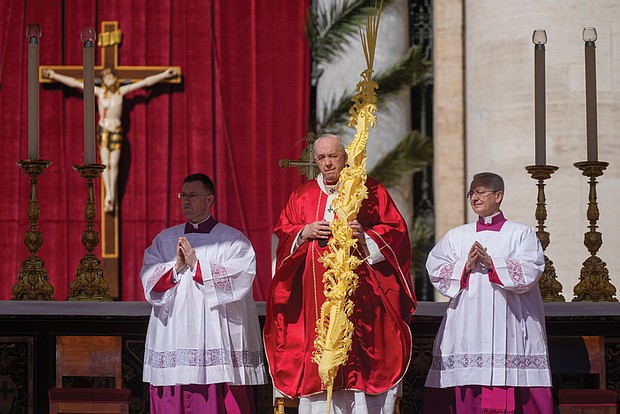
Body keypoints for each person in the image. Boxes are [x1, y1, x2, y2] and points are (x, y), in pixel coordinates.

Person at [264, 134, 417, 413]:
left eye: (332, 156)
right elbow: (282, 235)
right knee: (320, 368)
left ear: (345, 157)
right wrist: (302, 233)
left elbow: (396, 232)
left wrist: (366, 235)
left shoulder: (369, 190)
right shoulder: (302, 195)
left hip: (359, 304)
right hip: (316, 306)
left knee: (357, 367)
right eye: (321, 158)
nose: (327, 164)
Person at [424, 172, 553, 413]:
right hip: (466, 325)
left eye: (481, 192)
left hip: (510, 322)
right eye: (471, 193)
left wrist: (494, 264)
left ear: (499, 196)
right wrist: (466, 265)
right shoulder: (457, 235)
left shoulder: (520, 233)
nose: (475, 197)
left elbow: (531, 269)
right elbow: (435, 268)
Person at [140, 173, 267, 413]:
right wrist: (175, 268)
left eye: (193, 196)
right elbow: (149, 278)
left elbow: (241, 278)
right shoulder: (166, 239)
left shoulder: (233, 240)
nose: (186, 201)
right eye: (183, 195)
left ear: (210, 200)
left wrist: (198, 266)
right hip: (175, 336)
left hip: (215, 334)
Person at [42, 66, 177, 213]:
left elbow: (145, 82)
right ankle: (109, 195)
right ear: (104, 81)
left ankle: (112, 190)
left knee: (114, 163)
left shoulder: (121, 92)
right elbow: (75, 83)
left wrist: (164, 75)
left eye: (111, 77)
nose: (109, 80)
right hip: (104, 130)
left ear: (115, 79)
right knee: (105, 163)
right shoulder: (99, 93)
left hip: (117, 130)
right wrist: (54, 75)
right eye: (106, 78)